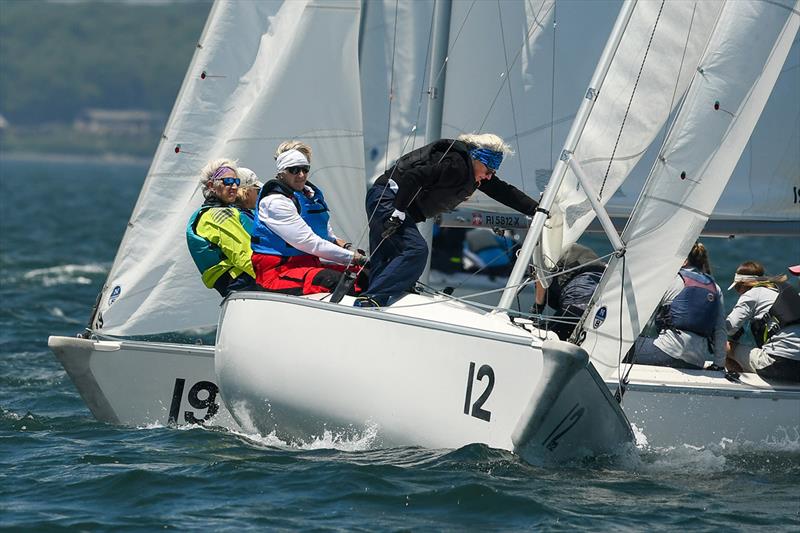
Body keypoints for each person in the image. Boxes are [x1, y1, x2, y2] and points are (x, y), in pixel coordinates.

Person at [357, 133, 539, 307]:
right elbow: (414, 177)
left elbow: (503, 191)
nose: (489, 175)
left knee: (389, 254)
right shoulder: (455, 165)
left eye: (493, 172)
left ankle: (373, 297)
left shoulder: (474, 173)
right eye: (489, 170)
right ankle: (373, 297)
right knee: (415, 249)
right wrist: (398, 211)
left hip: (387, 199)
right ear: (478, 159)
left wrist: (537, 209)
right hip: (388, 199)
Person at [250, 141, 368, 295]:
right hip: (278, 272)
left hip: (310, 263)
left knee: (366, 274)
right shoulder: (275, 202)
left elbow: (328, 235)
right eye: (294, 170)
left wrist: (350, 251)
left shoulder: (310, 195)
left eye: (305, 169)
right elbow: (310, 242)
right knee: (335, 281)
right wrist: (354, 258)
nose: (301, 175)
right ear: (281, 172)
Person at [627, 242, 726, 370]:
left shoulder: (673, 280)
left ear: (684, 261)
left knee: (620, 346)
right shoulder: (715, 288)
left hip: (666, 353)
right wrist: (719, 365)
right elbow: (720, 330)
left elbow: (642, 311)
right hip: (696, 362)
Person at [186, 159, 259, 296]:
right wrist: (271, 278)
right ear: (211, 185)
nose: (234, 187)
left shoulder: (226, 211)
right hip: (244, 283)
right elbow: (243, 255)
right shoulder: (216, 215)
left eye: (236, 182)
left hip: (243, 283)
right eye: (228, 182)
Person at [725, 261, 800, 382]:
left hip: (778, 365)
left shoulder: (752, 293)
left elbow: (728, 328)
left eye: (738, 287)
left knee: (723, 346)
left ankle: (739, 389)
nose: (739, 292)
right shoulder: (786, 293)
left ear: (744, 284)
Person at [532, 243, 606, 340]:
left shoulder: (541, 250)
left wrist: (536, 309)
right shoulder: (559, 245)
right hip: (602, 284)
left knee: (548, 337)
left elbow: (540, 277)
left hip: (579, 288)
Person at [234, 167, 263, 234]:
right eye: (258, 191)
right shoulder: (242, 217)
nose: (259, 195)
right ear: (247, 191)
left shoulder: (232, 212)